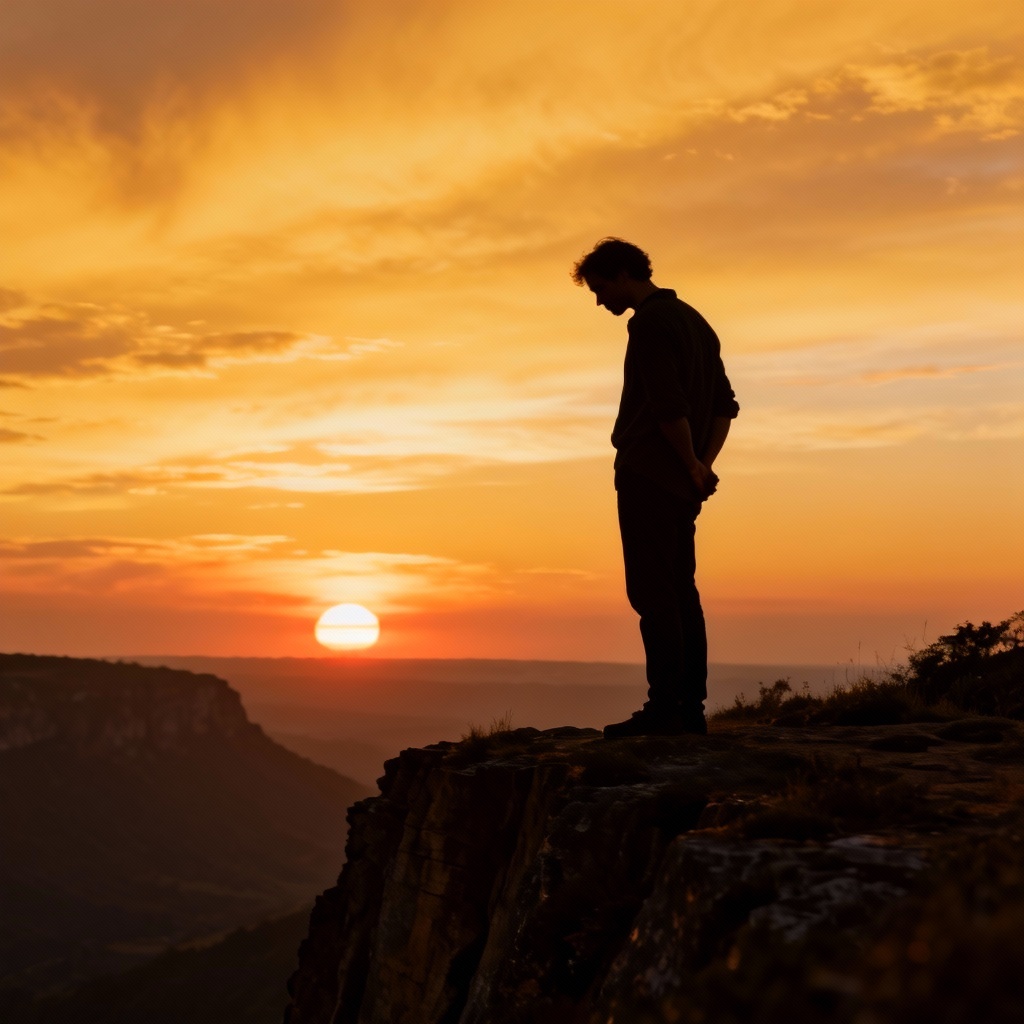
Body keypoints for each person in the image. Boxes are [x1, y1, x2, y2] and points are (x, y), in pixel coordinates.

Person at [572, 238, 739, 737]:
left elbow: (669, 407)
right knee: (681, 591)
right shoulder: (696, 321)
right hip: (683, 484)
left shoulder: (647, 324)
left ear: (625, 274)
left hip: (649, 473)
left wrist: (690, 462)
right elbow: (725, 407)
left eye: (601, 289)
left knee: (652, 592)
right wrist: (701, 466)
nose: (601, 302)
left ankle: (666, 707)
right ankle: (689, 709)